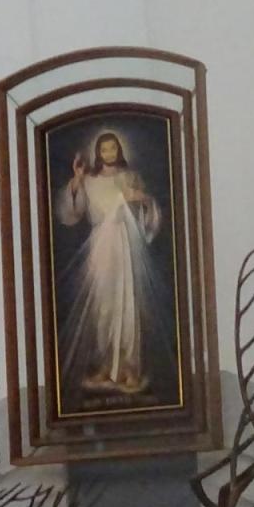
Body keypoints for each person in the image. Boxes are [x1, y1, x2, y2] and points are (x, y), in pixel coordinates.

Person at [55, 130, 163, 396]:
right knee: (102, 306)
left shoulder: (130, 177)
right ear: (98, 153)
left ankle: (130, 367)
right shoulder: (89, 181)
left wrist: (143, 200)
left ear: (119, 151)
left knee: (128, 303)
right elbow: (72, 214)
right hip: (100, 247)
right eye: (104, 149)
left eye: (113, 148)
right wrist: (77, 180)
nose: (109, 153)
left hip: (125, 245)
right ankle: (105, 363)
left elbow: (146, 212)